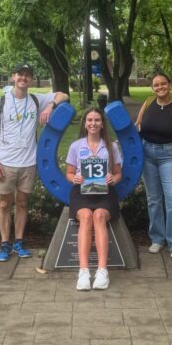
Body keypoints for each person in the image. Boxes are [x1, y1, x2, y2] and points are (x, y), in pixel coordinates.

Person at [0, 62, 69, 261]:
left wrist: (50, 106)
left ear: (31, 79)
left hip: (29, 162)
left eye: (27, 75)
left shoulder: (35, 99)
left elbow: (63, 95)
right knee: (4, 203)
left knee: (22, 202)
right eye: (20, 75)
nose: (24, 78)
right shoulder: (1, 102)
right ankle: (5, 244)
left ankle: (19, 242)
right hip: (6, 162)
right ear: (13, 76)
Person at [65, 107, 123, 291]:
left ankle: (102, 270)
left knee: (98, 216)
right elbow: (69, 172)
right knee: (86, 217)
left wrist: (114, 179)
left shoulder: (111, 146)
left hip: (104, 194)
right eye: (89, 120)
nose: (93, 123)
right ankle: (83, 271)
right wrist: (74, 178)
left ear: (102, 124)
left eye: (97, 120)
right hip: (81, 194)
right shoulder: (76, 146)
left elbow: (118, 173)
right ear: (85, 123)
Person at [136, 71, 172, 258]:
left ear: (170, 85)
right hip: (147, 154)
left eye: (163, 84)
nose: (160, 87)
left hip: (169, 156)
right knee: (154, 200)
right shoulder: (148, 103)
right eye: (156, 85)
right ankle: (157, 239)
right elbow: (138, 127)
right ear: (152, 88)